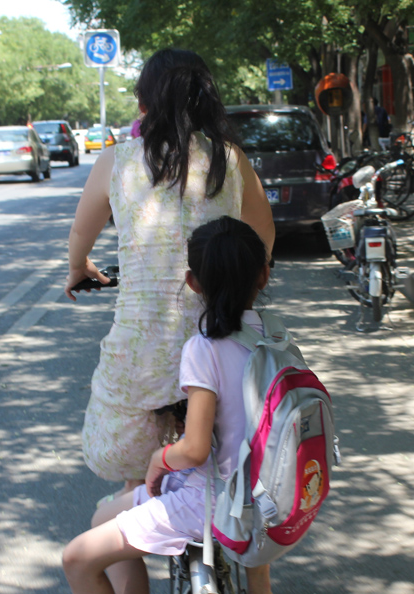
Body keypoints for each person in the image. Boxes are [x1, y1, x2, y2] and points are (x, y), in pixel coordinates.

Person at [50, 217, 296, 594]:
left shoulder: (204, 350)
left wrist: (160, 458)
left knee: (78, 556)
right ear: (264, 276)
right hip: (269, 496)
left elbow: (195, 449)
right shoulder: (274, 338)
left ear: (192, 283)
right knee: (106, 517)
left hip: (207, 500)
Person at [65, 48, 274, 501]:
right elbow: (263, 240)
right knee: (236, 482)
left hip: (141, 362)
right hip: (222, 346)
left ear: (143, 105)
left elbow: (81, 232)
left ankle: (124, 548)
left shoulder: (116, 162)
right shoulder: (230, 160)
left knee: (134, 485)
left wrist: (79, 267)